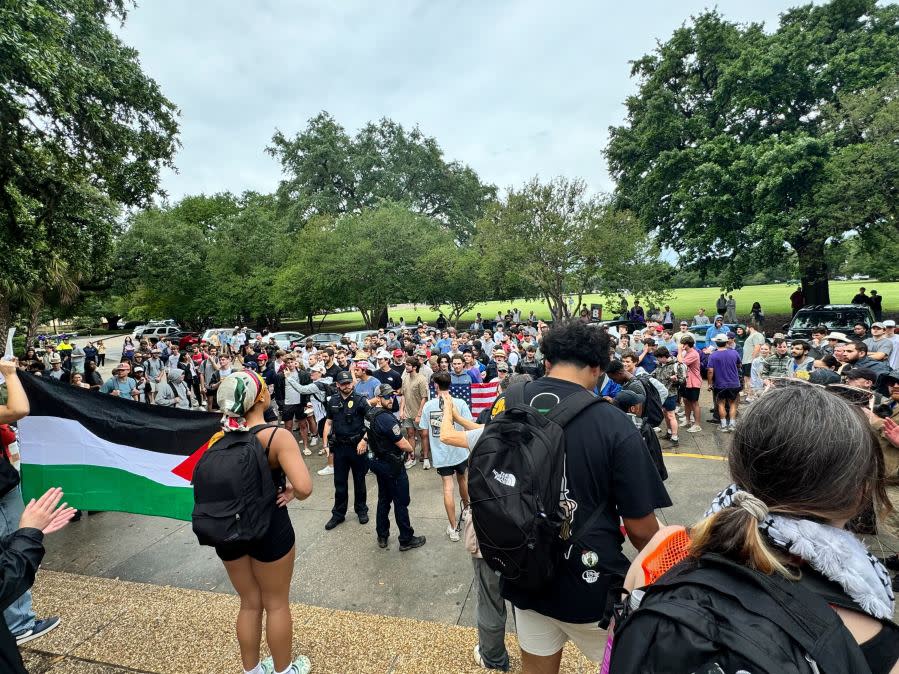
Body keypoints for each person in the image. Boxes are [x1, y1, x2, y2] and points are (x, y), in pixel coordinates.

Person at [613, 383, 899, 673]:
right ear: (861, 493)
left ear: (737, 467)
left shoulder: (662, 547)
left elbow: (621, 656)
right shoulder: (871, 632)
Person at [493, 321, 670, 672]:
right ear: (597, 368)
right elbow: (640, 529)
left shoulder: (507, 402)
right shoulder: (613, 423)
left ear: (547, 362)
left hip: (522, 569)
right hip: (589, 585)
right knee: (630, 663)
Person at [208, 371, 313, 674]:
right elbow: (304, 488)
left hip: (228, 529)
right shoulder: (276, 437)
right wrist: (291, 490)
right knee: (276, 603)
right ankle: (284, 670)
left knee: (249, 603)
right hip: (269, 526)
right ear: (262, 398)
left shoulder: (218, 437)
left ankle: (252, 671)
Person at [0, 360, 65, 655]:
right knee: (13, 548)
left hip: (6, 484)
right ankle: (19, 624)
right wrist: (10, 374)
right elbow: (18, 409)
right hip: (1, 491)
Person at [364, 384, 426, 552]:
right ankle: (406, 539)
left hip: (378, 461)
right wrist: (411, 450)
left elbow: (369, 435)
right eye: (386, 397)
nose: (390, 399)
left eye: (392, 396)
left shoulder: (369, 414)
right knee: (401, 502)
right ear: (378, 398)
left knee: (384, 499)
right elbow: (402, 442)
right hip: (391, 465)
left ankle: (382, 535)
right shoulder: (386, 418)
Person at [418, 372, 472, 543]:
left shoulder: (428, 406)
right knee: (463, 480)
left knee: (448, 487)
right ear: (450, 385)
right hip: (460, 450)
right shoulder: (461, 403)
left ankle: (454, 527)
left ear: (435, 386)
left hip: (441, 454)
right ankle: (466, 511)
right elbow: (468, 425)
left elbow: (424, 431)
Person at [322, 370, 370, 531]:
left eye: (349, 383)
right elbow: (328, 423)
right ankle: (338, 514)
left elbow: (371, 422)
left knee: (359, 481)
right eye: (343, 383)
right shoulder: (333, 401)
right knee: (340, 482)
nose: (347, 386)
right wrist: (325, 444)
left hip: (358, 446)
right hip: (340, 447)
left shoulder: (361, 400)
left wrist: (364, 440)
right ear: (337, 385)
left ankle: (361, 510)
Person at [707, 333, 742, 432]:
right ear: (727, 342)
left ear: (716, 343)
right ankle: (732, 425)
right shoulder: (734, 353)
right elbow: (739, 365)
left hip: (720, 384)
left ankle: (723, 426)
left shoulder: (713, 355)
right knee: (733, 404)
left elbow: (710, 371)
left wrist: (709, 384)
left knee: (721, 404)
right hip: (734, 383)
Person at [400, 357, 430, 470]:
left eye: (408, 365)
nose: (406, 366)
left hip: (419, 413)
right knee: (410, 435)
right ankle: (411, 458)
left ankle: (426, 458)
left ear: (414, 367)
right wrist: (402, 410)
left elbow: (424, 398)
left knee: (424, 435)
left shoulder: (421, 379)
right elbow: (403, 395)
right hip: (407, 413)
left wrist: (419, 414)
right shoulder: (405, 378)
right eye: (406, 364)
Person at [678, 335, 703, 432]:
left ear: (687, 345)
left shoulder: (693, 354)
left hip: (694, 382)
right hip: (686, 381)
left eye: (683, 344)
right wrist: (681, 352)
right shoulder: (687, 352)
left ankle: (697, 425)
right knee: (686, 401)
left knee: (694, 403)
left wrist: (680, 351)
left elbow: (681, 362)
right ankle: (688, 420)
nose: (681, 346)